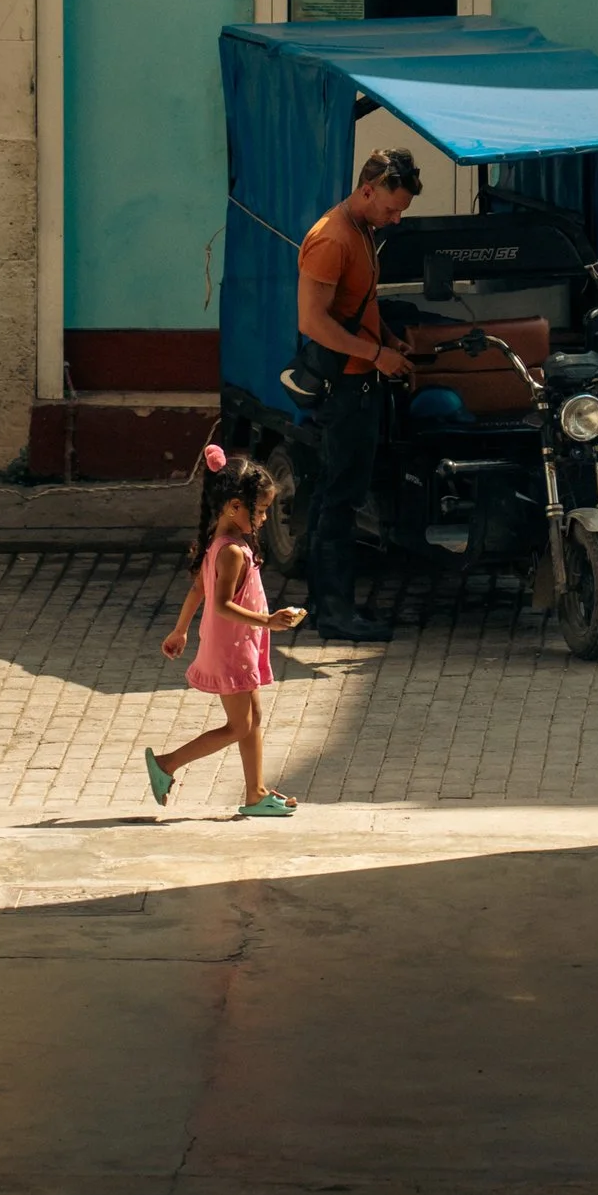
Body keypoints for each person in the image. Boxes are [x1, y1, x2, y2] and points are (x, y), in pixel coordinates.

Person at [295, 146, 422, 642]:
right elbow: (313, 321)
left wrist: (387, 339)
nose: (393, 220)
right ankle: (334, 614)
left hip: (360, 376)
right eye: (391, 209)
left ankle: (324, 602)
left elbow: (358, 303)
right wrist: (373, 356)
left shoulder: (364, 229)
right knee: (340, 498)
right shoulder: (332, 238)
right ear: (367, 189)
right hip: (345, 385)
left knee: (337, 492)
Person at [144, 445, 310, 817]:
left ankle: (257, 793)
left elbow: (196, 590)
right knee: (239, 726)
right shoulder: (231, 551)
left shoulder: (220, 544)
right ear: (235, 505)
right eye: (261, 509)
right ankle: (166, 764)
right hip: (231, 648)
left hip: (239, 645)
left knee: (252, 720)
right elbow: (219, 604)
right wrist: (267, 621)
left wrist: (180, 630)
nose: (265, 518)